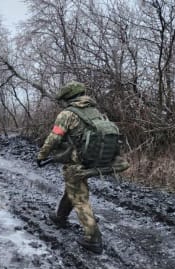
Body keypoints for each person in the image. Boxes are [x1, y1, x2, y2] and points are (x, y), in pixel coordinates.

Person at [36, 81, 126, 254]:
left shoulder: (67, 114)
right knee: (73, 189)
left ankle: (93, 238)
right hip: (92, 159)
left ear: (67, 98)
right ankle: (60, 217)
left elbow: (54, 138)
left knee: (79, 198)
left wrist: (41, 155)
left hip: (76, 161)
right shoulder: (95, 111)